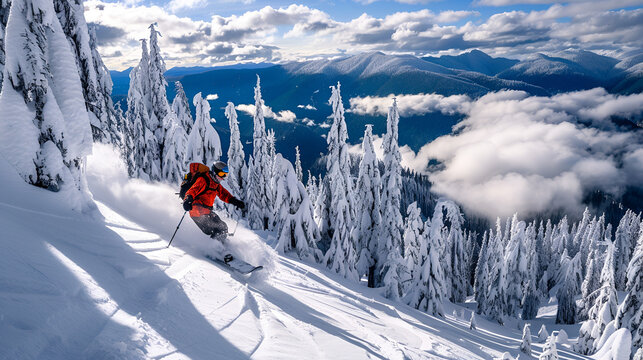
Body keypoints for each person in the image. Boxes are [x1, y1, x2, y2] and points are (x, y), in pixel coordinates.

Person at [182, 161, 245, 242]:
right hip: (197, 211)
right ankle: (216, 250)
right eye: (222, 175)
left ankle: (222, 246)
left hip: (207, 211)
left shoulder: (215, 183)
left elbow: (224, 194)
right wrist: (187, 200)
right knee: (218, 229)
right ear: (215, 172)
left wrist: (235, 201)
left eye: (225, 175)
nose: (223, 178)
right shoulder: (204, 180)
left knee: (223, 227)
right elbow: (192, 191)